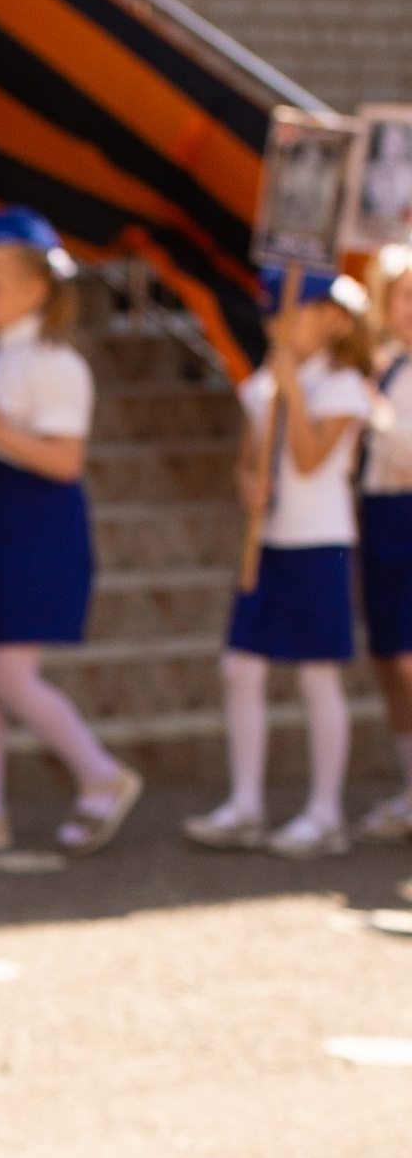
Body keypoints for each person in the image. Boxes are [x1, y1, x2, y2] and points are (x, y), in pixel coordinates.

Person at [0, 206, 143, 858]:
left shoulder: (57, 363)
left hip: (37, 525)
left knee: (10, 672)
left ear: (36, 288)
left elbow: (65, 460)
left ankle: (102, 774)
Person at [185, 264, 375, 856]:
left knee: (317, 674)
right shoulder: (261, 385)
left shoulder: (343, 387)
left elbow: (313, 457)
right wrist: (249, 484)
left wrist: (291, 387)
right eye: (274, 312)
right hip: (268, 542)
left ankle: (325, 812)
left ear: (333, 320)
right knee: (241, 668)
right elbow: (249, 459)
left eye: (293, 311)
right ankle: (246, 802)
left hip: (320, 542)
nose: (279, 323)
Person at [355, 240, 412, 842]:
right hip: (380, 518)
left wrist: (376, 418)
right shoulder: (383, 364)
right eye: (403, 297)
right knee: (388, 657)